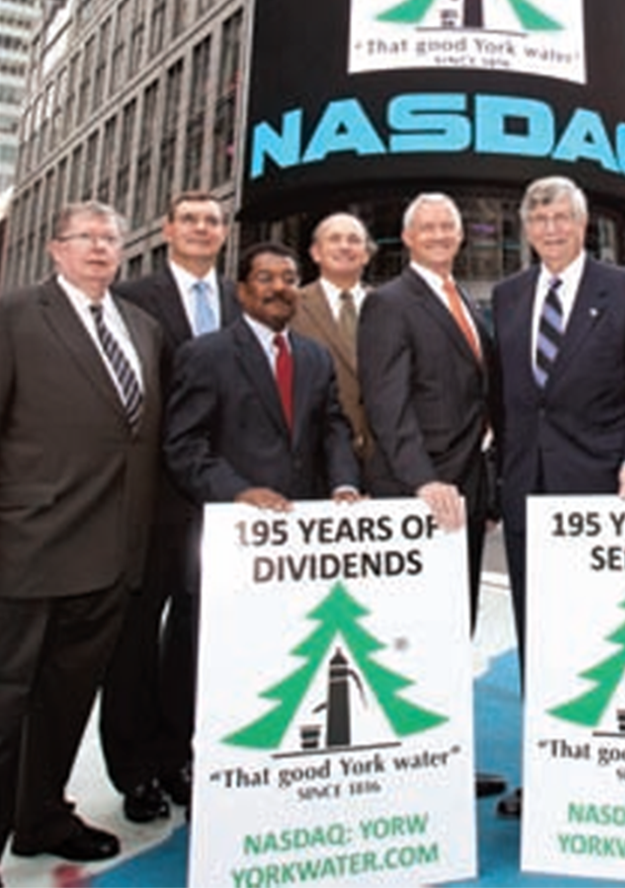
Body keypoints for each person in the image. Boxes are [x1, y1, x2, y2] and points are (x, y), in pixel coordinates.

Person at [491, 175, 625, 818]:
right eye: (537, 218)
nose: (550, 229)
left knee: (603, 636)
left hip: (599, 489)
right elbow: (505, 400)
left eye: (560, 218)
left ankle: (610, 768)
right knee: (536, 637)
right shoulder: (509, 297)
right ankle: (546, 771)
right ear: (527, 228)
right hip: (525, 494)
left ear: (583, 222)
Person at [0, 202, 162, 873]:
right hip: (29, 543)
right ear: (55, 249)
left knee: (69, 698)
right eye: (85, 238)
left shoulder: (143, 327)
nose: (100, 248)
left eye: (110, 238)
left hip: (111, 550)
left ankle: (40, 816)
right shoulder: (13, 317)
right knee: (7, 700)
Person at [357, 193, 505, 800]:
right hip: (419, 496)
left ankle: (443, 756)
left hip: (466, 493)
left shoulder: (468, 303)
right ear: (407, 236)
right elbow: (387, 405)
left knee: (452, 630)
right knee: (406, 634)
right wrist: (422, 480)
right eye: (430, 227)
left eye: (450, 226)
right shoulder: (389, 304)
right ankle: (404, 764)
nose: (442, 235)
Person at [100, 191, 239, 824]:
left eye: (212, 220)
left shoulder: (242, 301)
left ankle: (179, 755)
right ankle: (133, 772)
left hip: (224, 500)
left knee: (196, 635)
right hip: (155, 500)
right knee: (134, 639)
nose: (202, 229)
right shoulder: (133, 301)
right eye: (190, 219)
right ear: (167, 230)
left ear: (224, 230)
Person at [163, 242, 360, 512]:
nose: (279, 287)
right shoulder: (206, 355)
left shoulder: (317, 357)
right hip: (238, 526)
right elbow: (185, 446)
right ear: (241, 292)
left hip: (308, 523)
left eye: (289, 279)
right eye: (265, 278)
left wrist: (344, 485)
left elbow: (333, 428)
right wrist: (238, 492)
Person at [290, 212, 375, 488]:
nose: (345, 246)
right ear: (316, 252)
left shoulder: (391, 306)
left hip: (385, 463)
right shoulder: (290, 308)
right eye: (334, 239)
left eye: (354, 240)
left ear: (366, 254)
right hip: (315, 463)